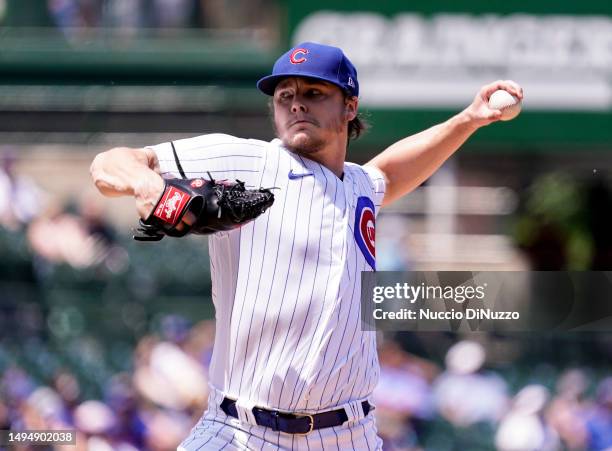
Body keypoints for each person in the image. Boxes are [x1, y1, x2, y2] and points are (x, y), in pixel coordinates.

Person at [90, 41, 523, 450]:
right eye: (284, 95)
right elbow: (109, 163)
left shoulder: (359, 186)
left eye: (314, 93)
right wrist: (147, 184)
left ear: (350, 106)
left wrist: (469, 118)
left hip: (349, 434)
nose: (296, 103)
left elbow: (391, 172)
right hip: (242, 432)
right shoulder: (250, 162)